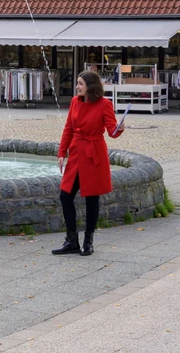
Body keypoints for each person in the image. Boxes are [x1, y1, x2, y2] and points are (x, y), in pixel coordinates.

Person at [53, 70, 125, 257]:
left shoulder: (104, 104)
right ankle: (71, 241)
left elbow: (112, 131)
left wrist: (120, 128)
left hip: (94, 154)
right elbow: (68, 128)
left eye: (80, 84)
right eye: (77, 83)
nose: (77, 86)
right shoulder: (75, 102)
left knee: (92, 199)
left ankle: (88, 242)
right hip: (77, 153)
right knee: (65, 195)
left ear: (90, 86)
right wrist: (62, 152)